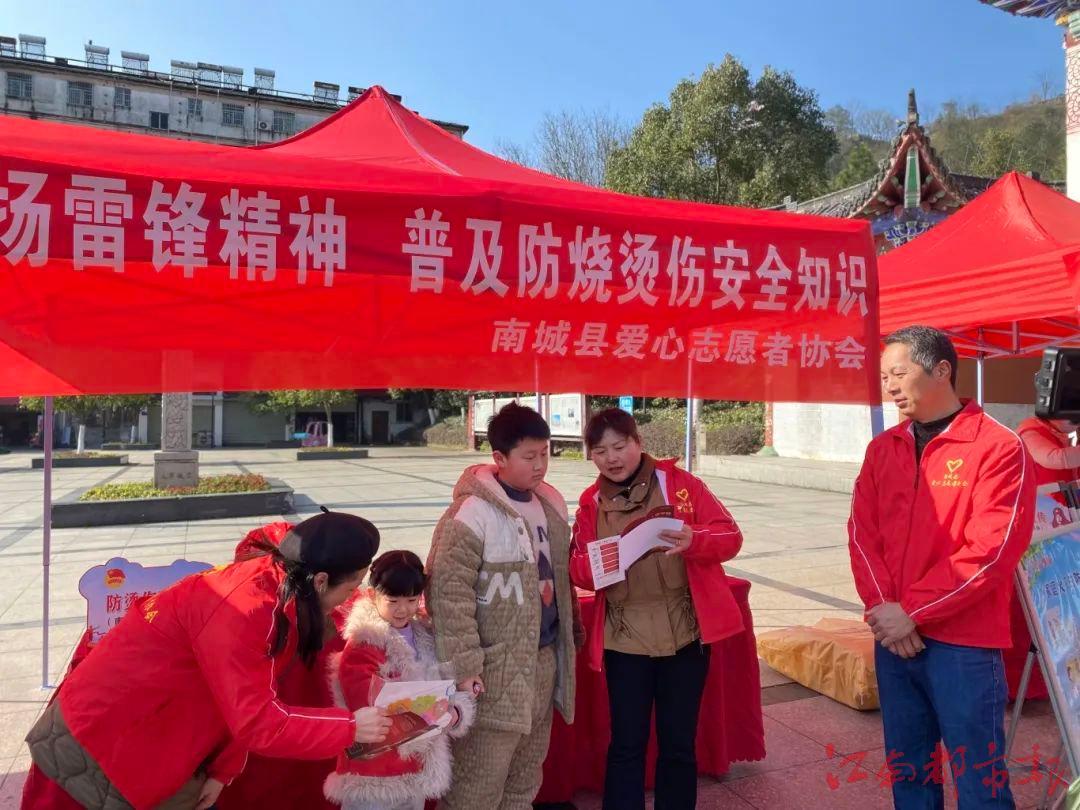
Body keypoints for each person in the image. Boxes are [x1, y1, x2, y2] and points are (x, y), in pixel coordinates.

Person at [25, 511, 393, 810]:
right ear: (321, 580)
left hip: (156, 735)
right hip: (98, 739)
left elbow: (244, 696)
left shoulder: (279, 587)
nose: (350, 598)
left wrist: (222, 771)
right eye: (350, 588)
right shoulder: (246, 610)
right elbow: (260, 723)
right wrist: (350, 727)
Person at [849, 325, 1036, 809]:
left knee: (979, 780)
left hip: (963, 643)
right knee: (910, 771)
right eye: (883, 377)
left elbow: (991, 550)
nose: (889, 386)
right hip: (895, 641)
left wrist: (910, 611)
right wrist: (885, 611)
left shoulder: (997, 446)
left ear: (941, 370)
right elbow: (862, 535)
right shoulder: (882, 449)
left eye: (898, 373)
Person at [569, 408, 744, 810]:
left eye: (619, 446)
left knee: (678, 743)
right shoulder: (590, 504)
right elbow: (577, 569)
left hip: (685, 636)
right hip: (624, 642)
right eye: (600, 451)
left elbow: (731, 536)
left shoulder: (681, 485)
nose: (612, 458)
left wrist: (694, 539)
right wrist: (603, 563)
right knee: (626, 744)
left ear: (638, 443)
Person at [425, 402, 578, 810]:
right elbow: (447, 596)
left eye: (545, 453)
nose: (540, 465)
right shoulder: (471, 513)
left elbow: (562, 583)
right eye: (529, 456)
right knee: (476, 785)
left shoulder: (550, 506)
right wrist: (464, 668)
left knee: (524, 779)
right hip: (493, 671)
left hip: (543, 662)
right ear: (499, 457)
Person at [324, 549, 476, 810]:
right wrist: (435, 711)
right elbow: (366, 702)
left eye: (412, 599)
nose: (403, 609)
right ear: (372, 594)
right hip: (374, 770)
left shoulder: (426, 636)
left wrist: (456, 710)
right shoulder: (365, 642)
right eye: (393, 600)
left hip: (416, 766)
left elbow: (446, 686)